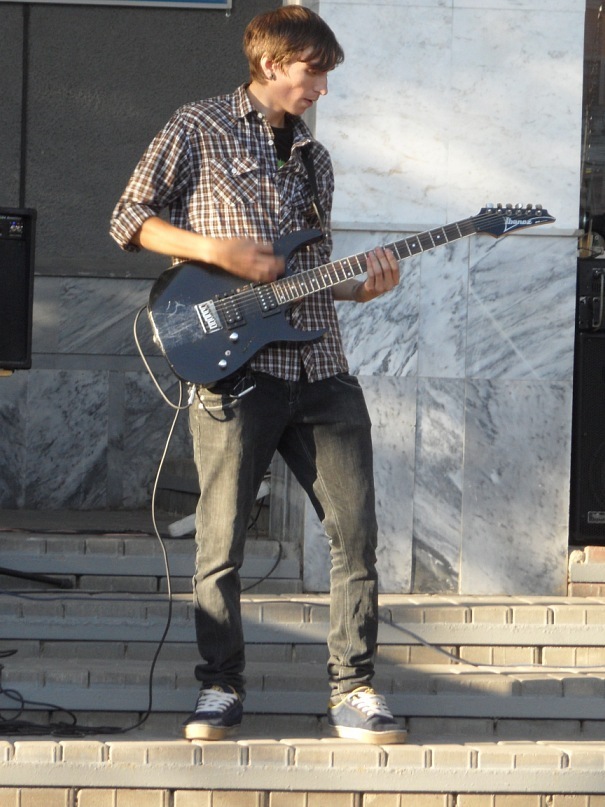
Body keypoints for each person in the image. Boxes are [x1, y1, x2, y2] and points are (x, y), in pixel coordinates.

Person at [110, 6, 405, 745]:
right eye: (314, 72)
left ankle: (354, 688)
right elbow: (128, 219)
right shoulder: (198, 126)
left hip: (322, 367)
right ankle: (220, 686)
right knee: (220, 542)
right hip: (237, 375)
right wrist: (217, 251)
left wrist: (359, 287)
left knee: (356, 537)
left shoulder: (315, 158)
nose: (322, 89)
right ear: (272, 64)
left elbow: (306, 274)